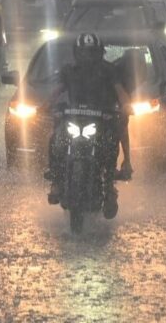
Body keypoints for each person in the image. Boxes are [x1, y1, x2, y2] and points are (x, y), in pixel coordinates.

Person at [46, 33, 132, 216]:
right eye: (83, 52)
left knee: (113, 139)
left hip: (102, 120)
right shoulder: (69, 70)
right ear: (77, 53)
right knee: (56, 139)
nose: (88, 56)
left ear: (99, 53)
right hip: (74, 120)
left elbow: (120, 90)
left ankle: (110, 186)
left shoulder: (110, 71)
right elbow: (57, 90)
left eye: (92, 52)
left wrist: (125, 104)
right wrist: (45, 105)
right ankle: (56, 180)